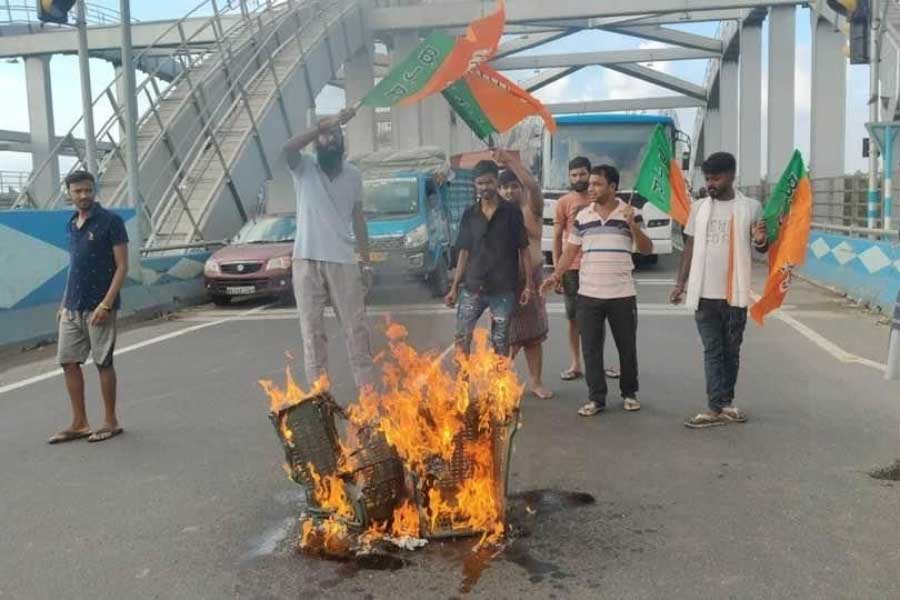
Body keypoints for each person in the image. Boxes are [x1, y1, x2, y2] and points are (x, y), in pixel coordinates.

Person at [541, 165, 653, 416]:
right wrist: (556, 275)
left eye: (597, 184)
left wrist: (632, 225)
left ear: (613, 187)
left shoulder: (630, 212)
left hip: (622, 294)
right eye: (590, 184)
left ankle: (629, 393)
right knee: (590, 349)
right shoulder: (582, 216)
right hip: (588, 293)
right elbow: (571, 250)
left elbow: (647, 249)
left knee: (627, 347)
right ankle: (596, 398)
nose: (591, 188)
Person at [670, 152, 768, 429]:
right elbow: (689, 247)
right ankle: (716, 406)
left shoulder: (751, 207)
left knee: (731, 350)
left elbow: (761, 246)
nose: (711, 183)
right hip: (704, 293)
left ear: (731, 176)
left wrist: (761, 240)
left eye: (716, 178)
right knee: (713, 350)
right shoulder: (698, 208)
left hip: (735, 294)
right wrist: (680, 283)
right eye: (708, 178)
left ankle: (725, 402)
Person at [282, 107, 376, 393]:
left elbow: (358, 219)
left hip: (344, 262)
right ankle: (320, 397)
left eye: (335, 135)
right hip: (306, 261)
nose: (330, 140)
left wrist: (367, 261)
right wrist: (326, 124)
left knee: (356, 331)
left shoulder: (353, 175)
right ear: (317, 141)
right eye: (325, 136)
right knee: (313, 334)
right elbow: (287, 147)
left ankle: (368, 398)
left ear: (342, 143)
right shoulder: (304, 168)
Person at [49, 171, 129, 444]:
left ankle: (110, 421)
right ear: (69, 194)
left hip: (99, 307)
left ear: (94, 191)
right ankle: (80, 423)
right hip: (72, 306)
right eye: (78, 191)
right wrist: (63, 302)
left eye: (88, 190)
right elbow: (75, 267)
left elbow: (122, 267)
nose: (83, 195)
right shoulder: (72, 224)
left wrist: (106, 304)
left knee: (103, 362)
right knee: (68, 362)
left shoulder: (111, 222)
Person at [445, 160, 532, 357]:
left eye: (489, 182)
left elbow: (524, 250)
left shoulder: (512, 213)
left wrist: (528, 284)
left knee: (500, 341)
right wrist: (454, 288)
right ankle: (462, 386)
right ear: (474, 185)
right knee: (461, 337)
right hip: (473, 287)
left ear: (496, 182)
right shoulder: (469, 214)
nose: (485, 187)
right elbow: (464, 252)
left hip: (503, 289)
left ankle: (499, 387)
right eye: (480, 183)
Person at [552, 156, 620, 381]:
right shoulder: (564, 202)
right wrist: (557, 271)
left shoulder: (601, 199)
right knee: (573, 319)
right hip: (571, 268)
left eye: (582, 174)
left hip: (595, 267)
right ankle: (576, 362)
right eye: (574, 175)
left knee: (599, 318)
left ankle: (597, 363)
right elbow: (556, 237)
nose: (578, 179)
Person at [495, 150, 552, 399]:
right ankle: (502, 386)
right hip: (504, 283)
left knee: (533, 336)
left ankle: (535, 382)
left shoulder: (532, 209)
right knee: (505, 337)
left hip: (532, 280)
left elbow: (533, 185)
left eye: (513, 186)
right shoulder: (494, 214)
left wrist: (511, 161)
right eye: (504, 187)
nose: (509, 192)